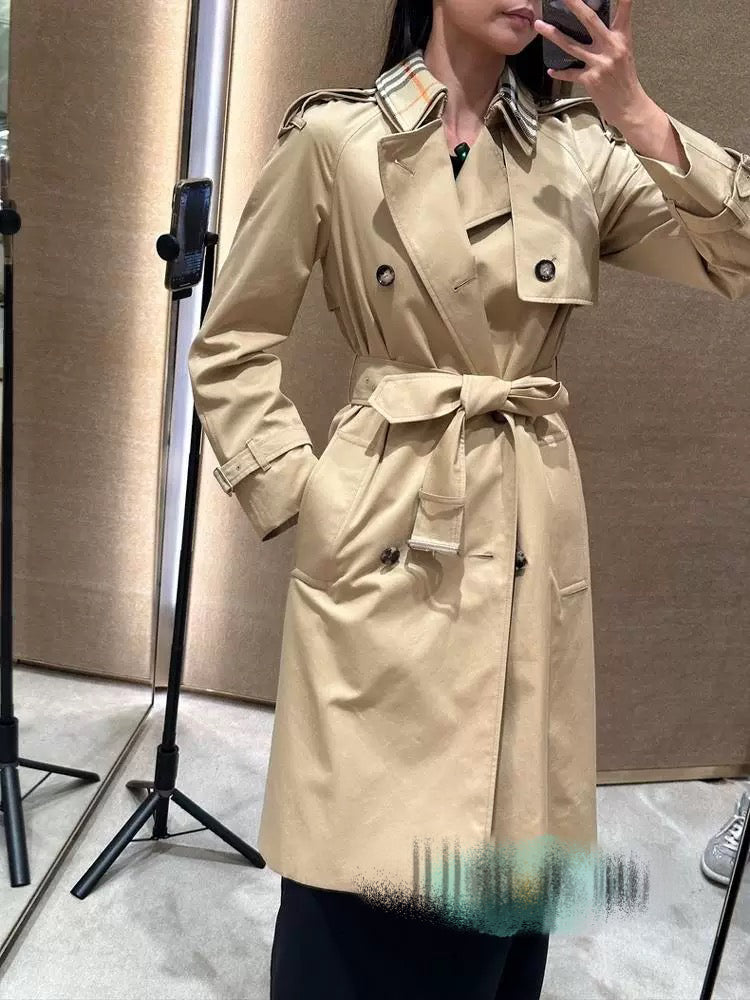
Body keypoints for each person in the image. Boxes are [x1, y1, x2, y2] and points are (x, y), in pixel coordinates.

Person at [186, 0, 750, 996]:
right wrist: (310, 497)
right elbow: (233, 343)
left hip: (525, 526)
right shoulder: (337, 139)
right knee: (359, 862)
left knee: (498, 857)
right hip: (386, 524)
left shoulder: (579, 152)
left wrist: (637, 112)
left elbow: (736, 250)